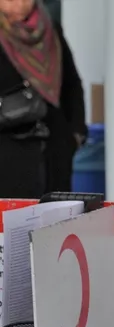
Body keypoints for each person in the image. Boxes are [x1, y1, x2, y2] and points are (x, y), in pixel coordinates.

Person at [0, 0, 86, 198]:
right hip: (8, 152)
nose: (19, 4)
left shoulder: (50, 30)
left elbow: (72, 84)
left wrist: (76, 134)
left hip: (54, 150)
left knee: (56, 214)